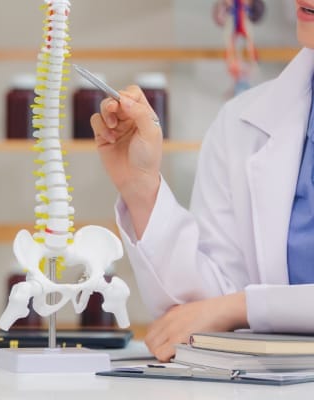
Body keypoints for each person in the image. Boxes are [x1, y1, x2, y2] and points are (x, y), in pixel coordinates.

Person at [90, 3, 314, 362]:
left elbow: (228, 307)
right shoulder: (241, 123)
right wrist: (142, 189)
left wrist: (244, 307)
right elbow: (202, 312)